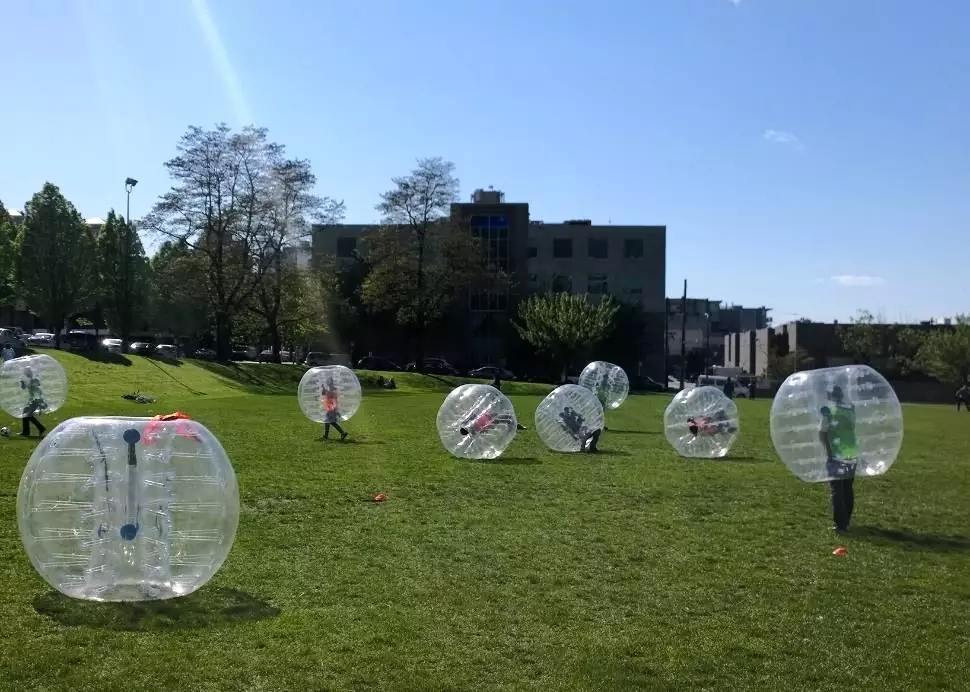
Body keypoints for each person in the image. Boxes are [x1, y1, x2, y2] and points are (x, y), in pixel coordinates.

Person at [818, 385, 857, 533]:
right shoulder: (850, 409)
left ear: (830, 395)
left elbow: (822, 433)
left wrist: (828, 452)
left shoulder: (828, 411)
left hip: (836, 455)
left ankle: (840, 525)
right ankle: (846, 520)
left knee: (837, 490)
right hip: (851, 454)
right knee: (847, 488)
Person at [19, 366, 47, 438]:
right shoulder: (29, 379)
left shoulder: (34, 379)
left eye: (26, 372)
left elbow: (37, 386)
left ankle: (39, 428)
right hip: (31, 400)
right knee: (26, 415)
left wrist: (41, 401)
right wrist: (22, 383)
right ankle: (27, 431)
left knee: (27, 415)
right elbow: (24, 388)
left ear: (30, 372)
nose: (25, 373)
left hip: (36, 400)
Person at [321, 376, 348, 441]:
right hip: (330, 407)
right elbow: (324, 394)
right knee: (328, 421)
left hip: (332, 408)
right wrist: (323, 388)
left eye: (328, 381)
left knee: (331, 421)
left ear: (330, 382)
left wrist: (335, 409)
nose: (327, 382)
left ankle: (342, 433)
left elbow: (331, 396)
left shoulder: (333, 389)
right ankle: (326, 435)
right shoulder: (330, 388)